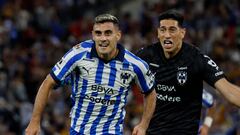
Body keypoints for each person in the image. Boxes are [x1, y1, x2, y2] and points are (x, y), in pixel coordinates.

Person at [25, 13, 156, 135]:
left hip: (111, 131)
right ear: (93, 35)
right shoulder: (78, 54)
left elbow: (150, 92)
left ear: (118, 35)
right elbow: (48, 82)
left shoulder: (135, 64)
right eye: (98, 33)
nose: (103, 38)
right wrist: (35, 121)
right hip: (78, 130)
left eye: (108, 33)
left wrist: (144, 124)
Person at [137, 9, 240, 135]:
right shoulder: (146, 55)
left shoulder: (196, 59)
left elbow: (227, 92)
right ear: (158, 33)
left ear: (182, 33)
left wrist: (206, 126)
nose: (167, 35)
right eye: (163, 30)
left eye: (172, 30)